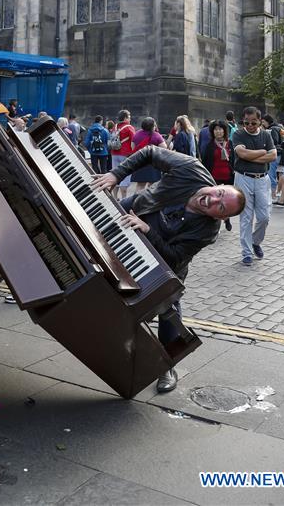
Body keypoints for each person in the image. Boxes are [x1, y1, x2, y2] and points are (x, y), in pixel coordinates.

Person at [92, 146, 245, 392]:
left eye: (221, 207)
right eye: (219, 192)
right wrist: (116, 175)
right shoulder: (191, 169)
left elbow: (173, 257)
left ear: (220, 218)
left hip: (161, 261)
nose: (213, 199)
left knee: (168, 305)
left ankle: (167, 364)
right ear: (219, 185)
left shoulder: (207, 232)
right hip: (127, 215)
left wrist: (147, 231)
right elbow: (150, 152)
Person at [232, 106, 277, 265]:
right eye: (247, 123)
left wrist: (252, 156)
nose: (250, 126)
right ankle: (246, 252)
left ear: (260, 122)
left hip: (262, 179)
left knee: (264, 216)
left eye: (254, 123)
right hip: (243, 178)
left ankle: (255, 242)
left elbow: (273, 156)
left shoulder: (266, 135)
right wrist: (262, 152)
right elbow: (242, 154)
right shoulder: (238, 134)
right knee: (246, 217)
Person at [201, 119, 235, 231]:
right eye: (216, 129)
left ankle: (227, 218)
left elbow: (234, 160)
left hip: (228, 176)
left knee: (227, 200)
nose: (218, 132)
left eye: (220, 129)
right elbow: (205, 162)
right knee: (216, 201)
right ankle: (215, 223)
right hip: (214, 177)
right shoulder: (209, 145)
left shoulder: (230, 144)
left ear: (225, 131)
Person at [129, 117, 166, 192]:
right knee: (153, 184)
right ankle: (150, 201)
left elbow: (132, 147)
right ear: (153, 126)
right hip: (153, 163)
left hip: (140, 162)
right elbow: (164, 148)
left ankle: (137, 201)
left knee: (140, 185)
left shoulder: (137, 134)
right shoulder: (156, 135)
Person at [110, 110, 135, 196]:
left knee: (115, 174)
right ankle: (124, 198)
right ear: (125, 118)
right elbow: (133, 142)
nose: (130, 118)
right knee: (125, 175)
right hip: (125, 154)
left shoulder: (115, 127)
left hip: (114, 153)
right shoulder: (129, 127)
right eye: (129, 116)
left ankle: (114, 197)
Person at [261, 114, 283, 200]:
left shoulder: (272, 129)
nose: (262, 124)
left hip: (274, 153)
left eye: (263, 122)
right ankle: (277, 192)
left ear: (267, 121)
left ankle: (273, 194)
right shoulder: (278, 128)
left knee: (271, 174)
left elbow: (274, 141)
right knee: (280, 174)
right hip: (280, 153)